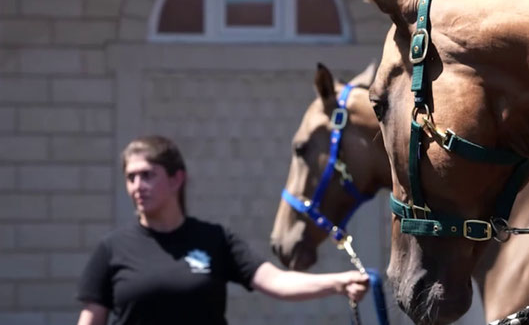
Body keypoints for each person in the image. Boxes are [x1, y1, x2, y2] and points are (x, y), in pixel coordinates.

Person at [76, 135, 369, 325]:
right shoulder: (112, 249)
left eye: (147, 175)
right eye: (131, 177)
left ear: (177, 179)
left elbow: (277, 282)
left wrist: (337, 283)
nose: (137, 186)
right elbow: (91, 319)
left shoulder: (214, 240)